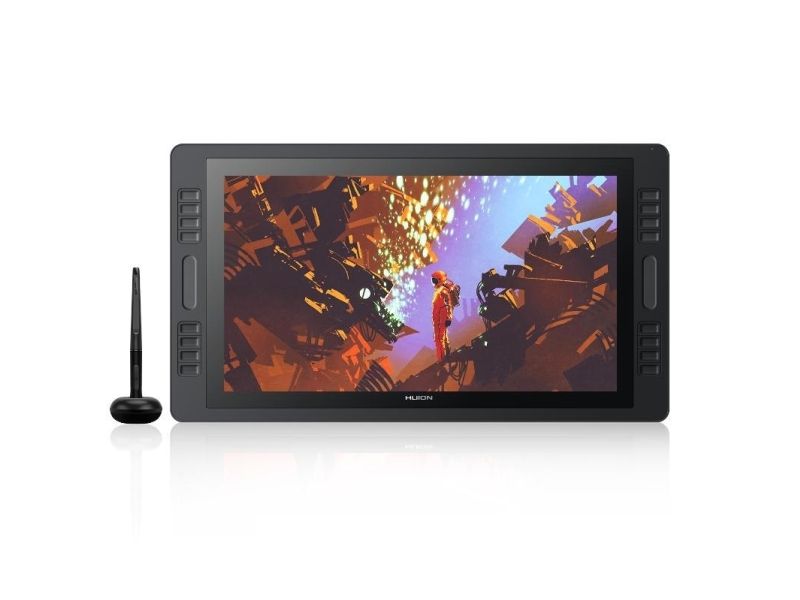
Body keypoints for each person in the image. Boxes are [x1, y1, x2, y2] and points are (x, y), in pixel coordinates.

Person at [431, 270, 453, 361]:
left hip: (442, 316)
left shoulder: (442, 291)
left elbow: (448, 304)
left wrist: (448, 317)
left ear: (439, 280)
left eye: (434, 280)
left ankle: (442, 358)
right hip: (439, 317)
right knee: (441, 337)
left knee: (439, 338)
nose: (433, 282)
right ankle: (445, 355)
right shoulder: (439, 291)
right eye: (433, 280)